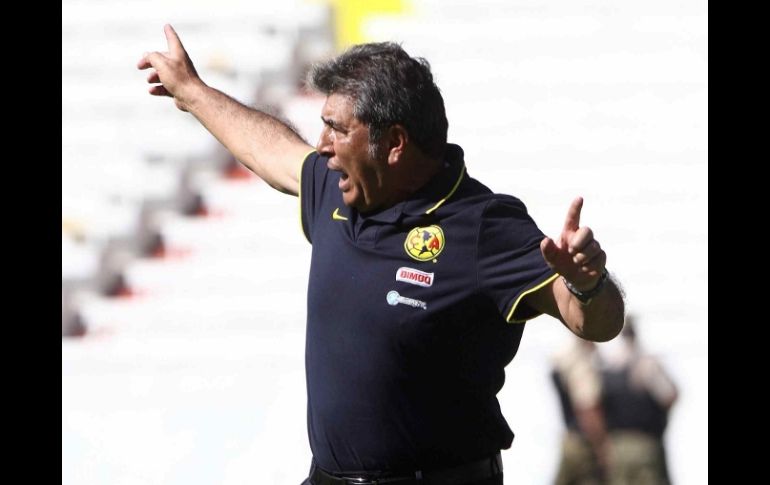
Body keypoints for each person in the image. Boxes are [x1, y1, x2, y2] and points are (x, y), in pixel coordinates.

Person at [138, 24, 625, 485]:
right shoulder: (338, 189)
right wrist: (192, 91)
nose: (322, 147)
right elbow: (272, 151)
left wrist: (586, 284)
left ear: (394, 143)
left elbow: (597, 324)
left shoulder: (482, 225)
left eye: (336, 129)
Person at [600, 317, 677, 485]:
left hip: (617, 446)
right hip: (644, 444)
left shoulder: (608, 364)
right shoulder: (646, 364)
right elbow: (669, 396)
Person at [550, 338, 609, 485]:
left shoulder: (564, 358)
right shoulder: (581, 365)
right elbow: (587, 410)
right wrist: (602, 449)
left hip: (571, 440)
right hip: (584, 445)